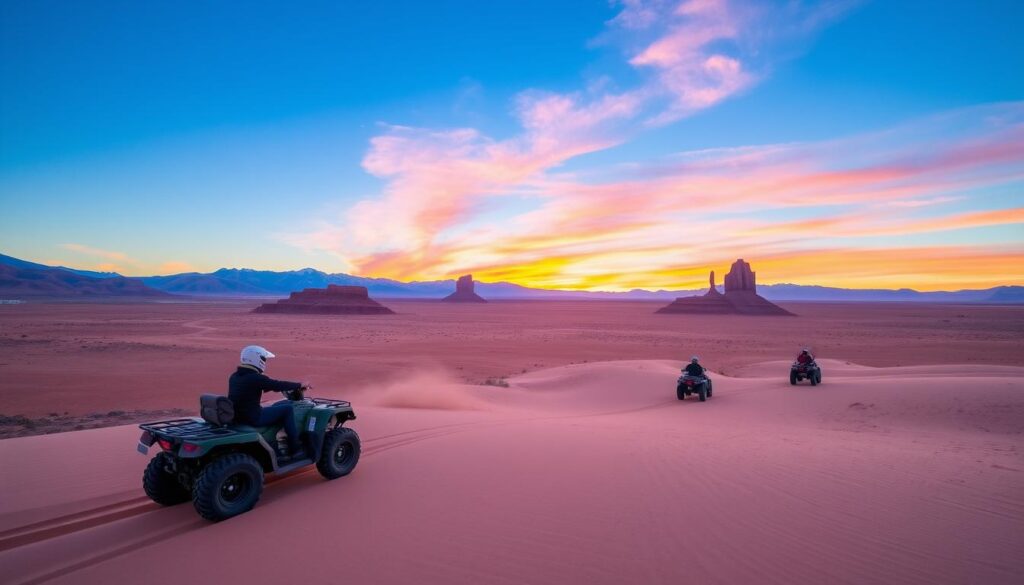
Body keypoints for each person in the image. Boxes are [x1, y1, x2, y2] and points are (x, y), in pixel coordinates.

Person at [228, 345, 311, 459]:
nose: (264, 362)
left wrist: (268, 383)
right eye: (263, 359)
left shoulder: (235, 376)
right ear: (256, 359)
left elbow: (259, 386)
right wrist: (299, 385)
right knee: (287, 409)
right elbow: (277, 385)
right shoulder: (255, 378)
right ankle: (295, 448)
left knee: (278, 406)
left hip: (239, 416)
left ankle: (276, 441)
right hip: (253, 417)